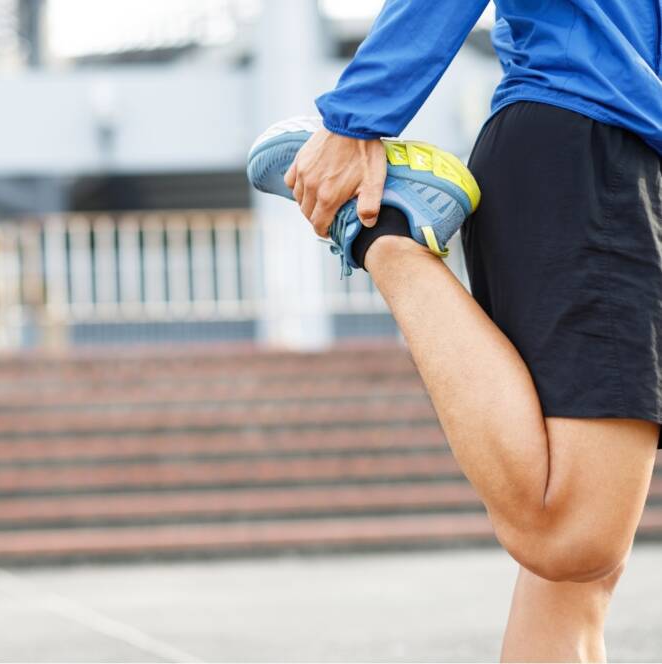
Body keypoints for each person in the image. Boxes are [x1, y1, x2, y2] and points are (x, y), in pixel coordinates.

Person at [248, 1, 662, 660]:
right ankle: (384, 230)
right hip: (592, 139)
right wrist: (360, 117)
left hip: (604, 149)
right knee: (573, 538)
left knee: (573, 587)